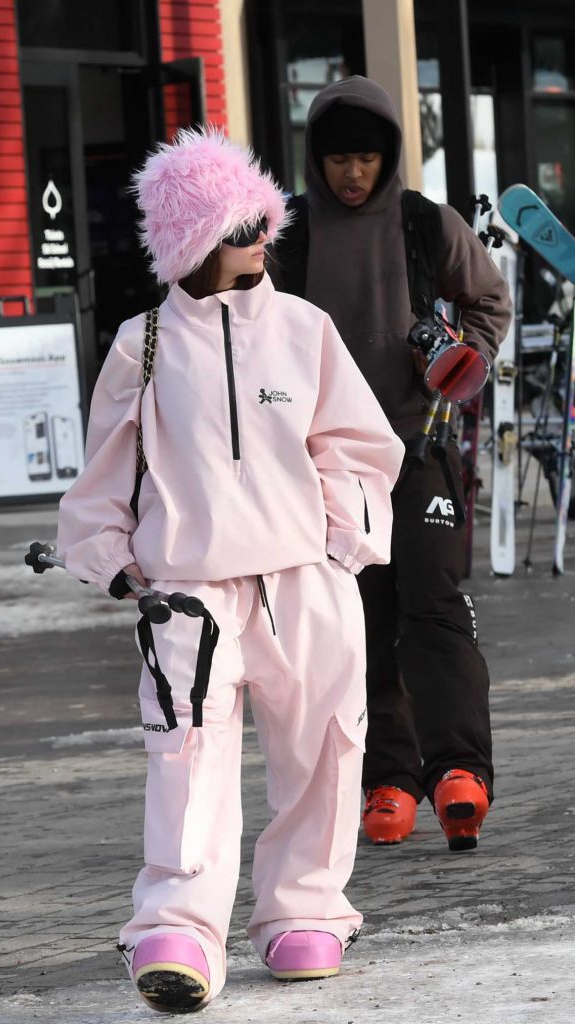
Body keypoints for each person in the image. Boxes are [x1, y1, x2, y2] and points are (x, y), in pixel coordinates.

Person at [56, 127, 404, 1013]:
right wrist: (118, 569)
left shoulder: (302, 328)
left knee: (324, 748)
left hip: (304, 583)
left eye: (262, 219)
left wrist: (340, 545)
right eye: (240, 223)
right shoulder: (140, 345)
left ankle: (305, 910)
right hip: (189, 596)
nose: (260, 236)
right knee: (186, 759)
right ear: (192, 239)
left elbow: (360, 446)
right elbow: (103, 475)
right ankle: (178, 926)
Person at [272, 76, 512, 852]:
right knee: (359, 621)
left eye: (367, 159)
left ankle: (458, 772)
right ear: (318, 159)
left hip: (420, 444)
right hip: (331, 464)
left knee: (434, 604)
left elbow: (489, 301)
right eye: (339, 158)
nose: (352, 174)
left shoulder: (423, 223)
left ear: (389, 158)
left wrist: (462, 360)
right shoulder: (293, 234)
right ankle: (388, 780)